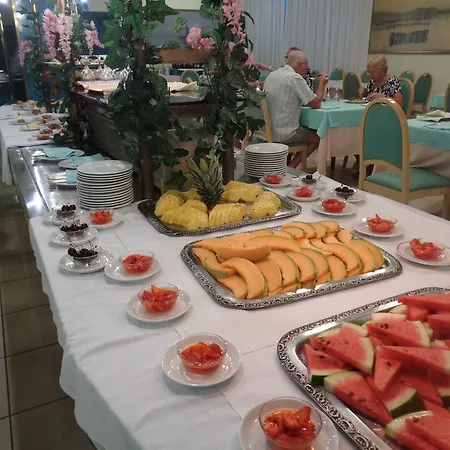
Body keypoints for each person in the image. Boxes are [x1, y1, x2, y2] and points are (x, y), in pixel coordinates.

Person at [263, 50, 328, 168]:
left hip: (267, 130)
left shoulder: (273, 74)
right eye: (306, 67)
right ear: (301, 65)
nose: (306, 71)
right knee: (321, 136)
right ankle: (291, 167)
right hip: (284, 134)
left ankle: (288, 165)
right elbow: (316, 104)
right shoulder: (294, 78)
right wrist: (322, 84)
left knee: (308, 130)